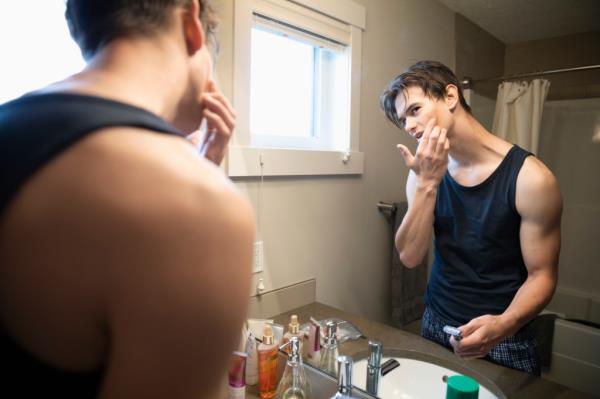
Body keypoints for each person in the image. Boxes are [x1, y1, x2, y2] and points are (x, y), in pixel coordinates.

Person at [0, 1, 255, 397]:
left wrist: (199, 164)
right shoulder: (197, 205)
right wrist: (197, 181)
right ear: (191, 22)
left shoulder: (12, 124)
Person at [380, 61, 562, 375]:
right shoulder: (423, 172)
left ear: (450, 96)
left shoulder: (531, 179)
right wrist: (426, 184)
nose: (408, 126)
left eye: (415, 110)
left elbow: (542, 275)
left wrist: (505, 324)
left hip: (505, 336)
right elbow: (409, 256)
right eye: (402, 119)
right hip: (436, 323)